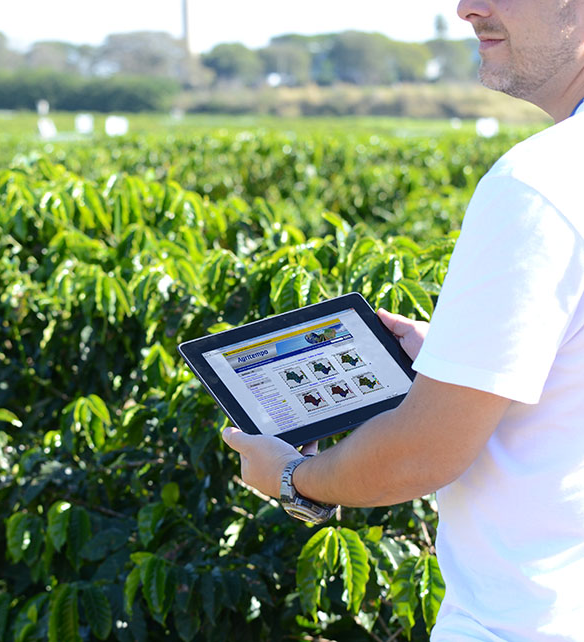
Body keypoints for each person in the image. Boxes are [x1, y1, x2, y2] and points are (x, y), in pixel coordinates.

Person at [221, 1, 584, 639]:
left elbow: (424, 453)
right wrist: (460, 362)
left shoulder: (540, 183)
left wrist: (292, 477)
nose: (468, 7)